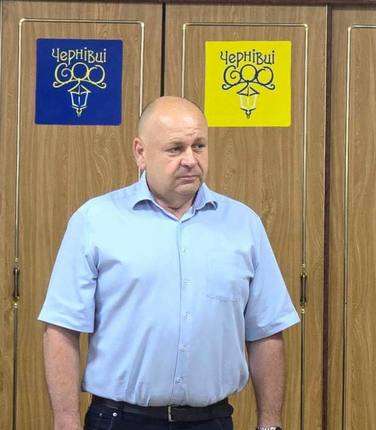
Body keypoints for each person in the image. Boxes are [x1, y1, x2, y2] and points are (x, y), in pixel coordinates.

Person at [39, 96, 297, 430]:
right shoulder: (95, 220)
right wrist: (66, 420)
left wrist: (270, 423)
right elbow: (62, 328)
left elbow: (266, 330)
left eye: (199, 146)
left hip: (212, 421)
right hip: (120, 420)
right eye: (175, 149)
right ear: (140, 152)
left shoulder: (243, 224)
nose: (190, 160)